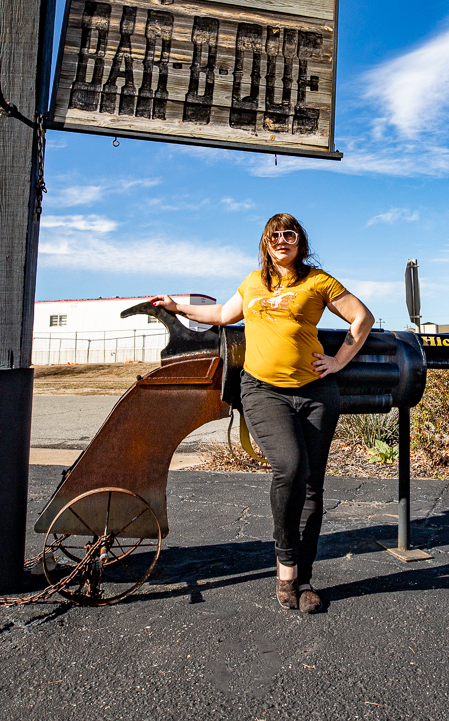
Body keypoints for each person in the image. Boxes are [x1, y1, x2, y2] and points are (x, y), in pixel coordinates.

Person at [152, 213, 373, 613]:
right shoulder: (253, 282)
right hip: (262, 390)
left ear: (300, 242)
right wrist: (176, 307)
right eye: (274, 236)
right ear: (266, 244)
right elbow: (221, 315)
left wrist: (339, 361)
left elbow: (362, 317)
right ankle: (285, 566)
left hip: (316, 392)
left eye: (289, 234)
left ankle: (302, 580)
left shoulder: (317, 281)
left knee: (312, 485)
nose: (282, 241)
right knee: (289, 467)